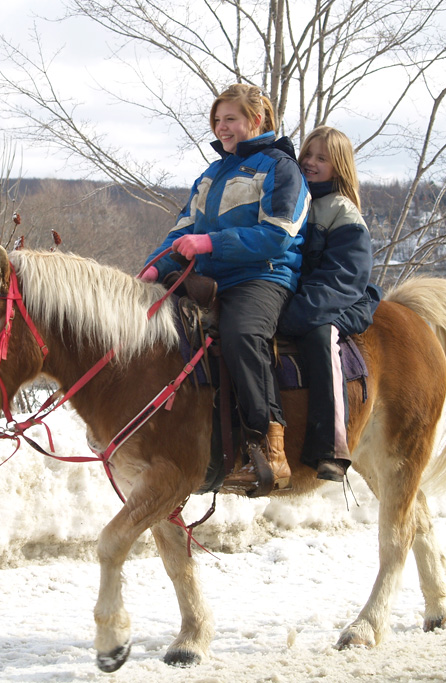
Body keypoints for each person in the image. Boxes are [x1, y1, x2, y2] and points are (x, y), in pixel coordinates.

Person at [141, 83, 310, 496]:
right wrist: (151, 270)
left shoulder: (281, 168)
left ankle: (269, 446)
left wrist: (211, 243)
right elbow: (182, 230)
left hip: (263, 277)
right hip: (209, 280)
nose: (222, 128)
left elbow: (277, 235)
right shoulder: (212, 175)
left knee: (241, 334)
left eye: (230, 119)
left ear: (256, 120)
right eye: (217, 121)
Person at [277, 126, 381, 483]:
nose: (310, 163)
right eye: (307, 155)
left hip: (335, 302)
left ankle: (331, 445)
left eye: (322, 158)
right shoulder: (297, 200)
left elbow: (345, 275)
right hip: (299, 297)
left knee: (321, 338)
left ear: (339, 167)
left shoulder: (342, 211)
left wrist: (299, 312)